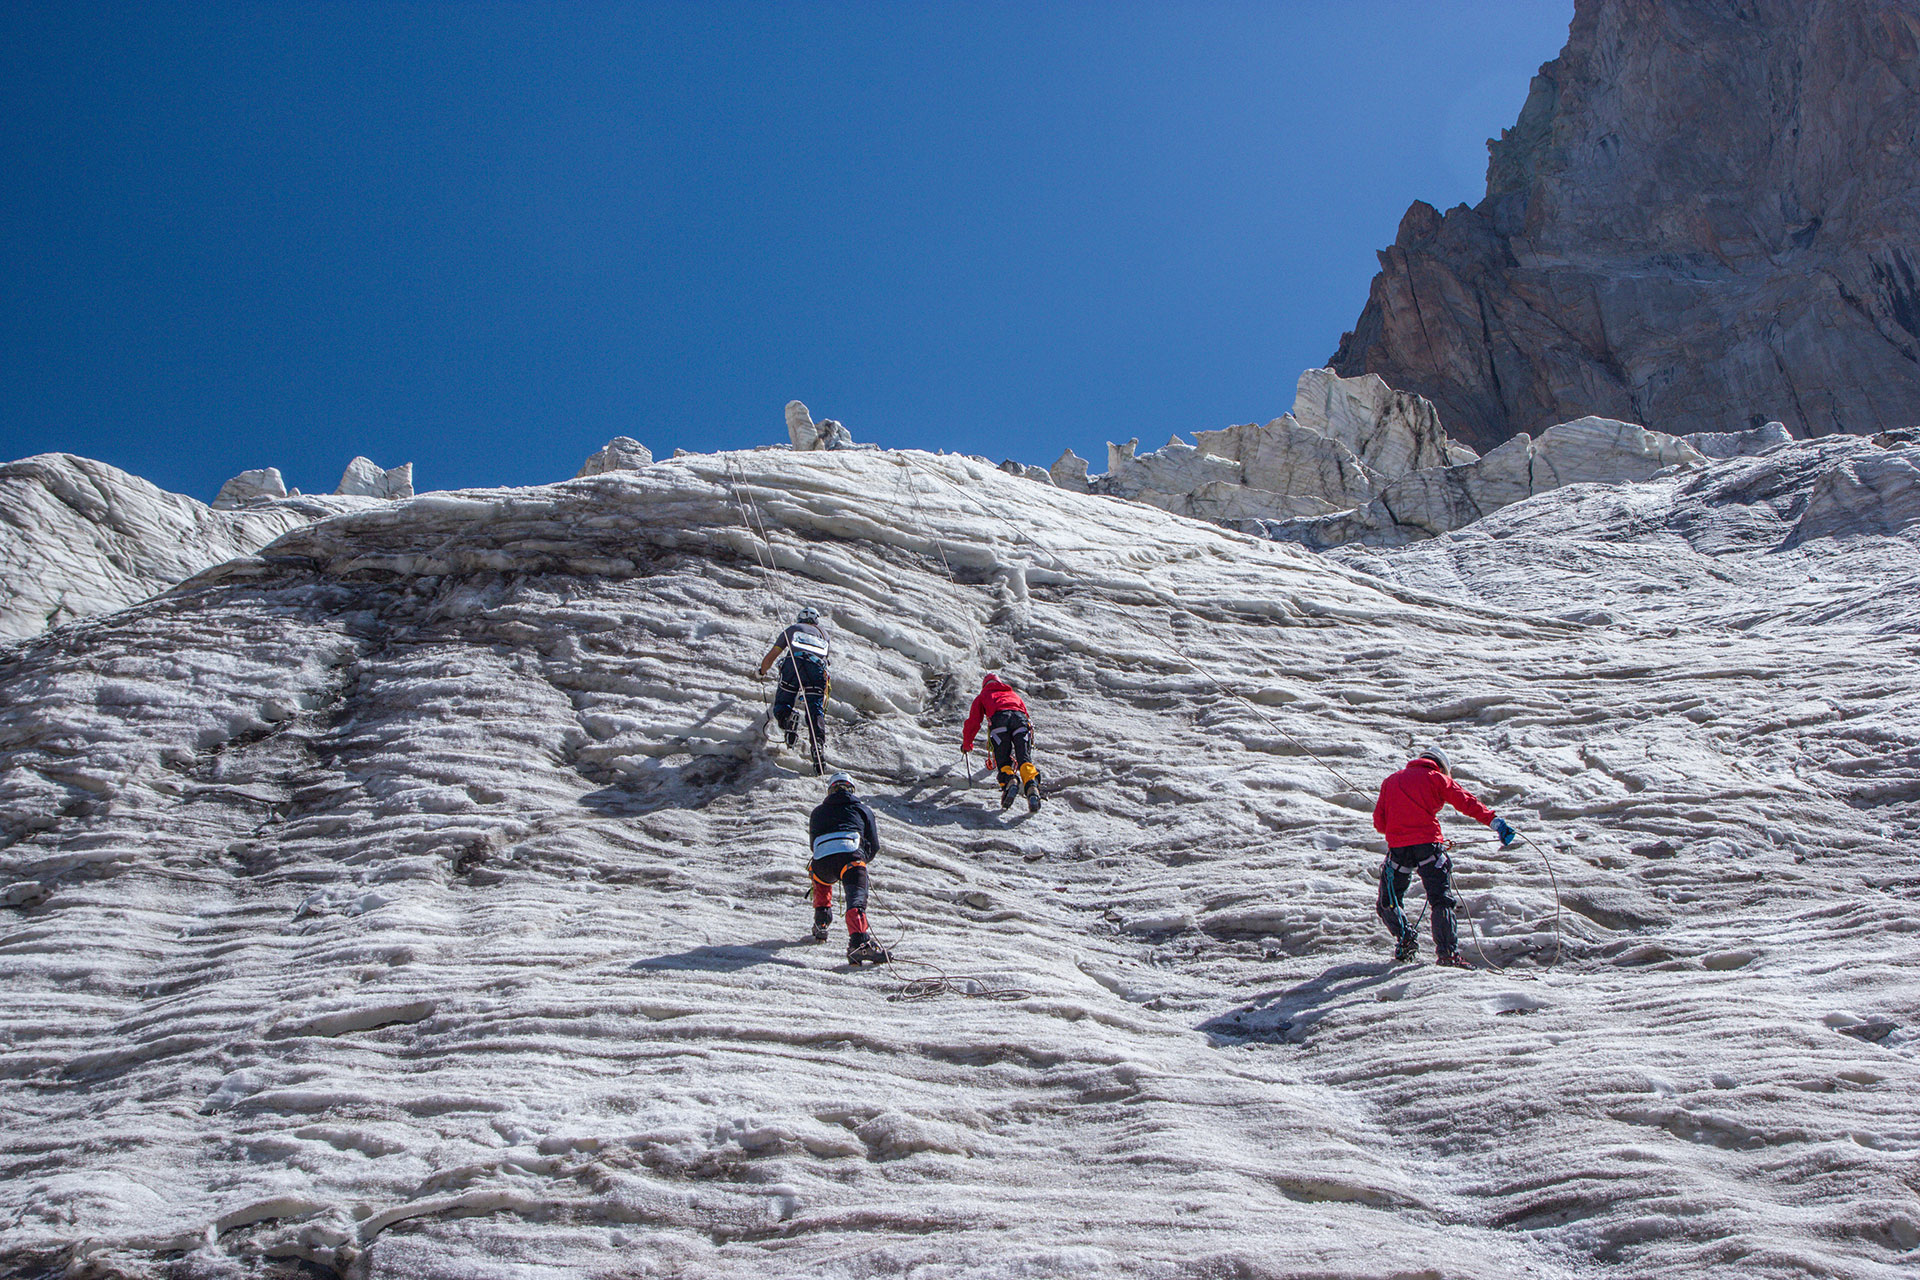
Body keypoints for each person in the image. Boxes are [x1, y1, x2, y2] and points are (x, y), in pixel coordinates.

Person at [1371, 748, 1517, 968]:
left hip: (1398, 850)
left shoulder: (1391, 781)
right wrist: (1495, 823)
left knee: (1388, 901)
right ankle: (1448, 955)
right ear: (1441, 766)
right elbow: (1466, 801)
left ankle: (1405, 938)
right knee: (1440, 900)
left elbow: (1380, 825)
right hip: (1429, 848)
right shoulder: (1436, 778)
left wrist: (1402, 821)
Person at [808, 772, 888, 964]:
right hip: (851, 857)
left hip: (821, 861)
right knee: (856, 899)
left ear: (830, 790)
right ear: (851, 789)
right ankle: (859, 943)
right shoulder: (862, 809)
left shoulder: (817, 811)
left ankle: (821, 922)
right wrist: (862, 860)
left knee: (820, 879)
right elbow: (874, 844)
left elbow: (814, 845)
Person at [758, 606, 831, 768]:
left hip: (794, 664)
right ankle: (818, 745)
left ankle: (788, 717)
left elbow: (772, 655)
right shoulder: (824, 634)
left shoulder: (792, 629)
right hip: (817, 669)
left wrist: (761, 671)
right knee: (815, 709)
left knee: (783, 701)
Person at [961, 673, 1043, 812]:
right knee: (1024, 759)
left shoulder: (983, 696)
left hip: (999, 721)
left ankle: (1010, 781)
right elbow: (1025, 714)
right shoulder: (1013, 694)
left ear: (984, 685)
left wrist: (967, 744)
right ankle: (1032, 788)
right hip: (1020, 721)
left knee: (1003, 760)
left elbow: (973, 722)